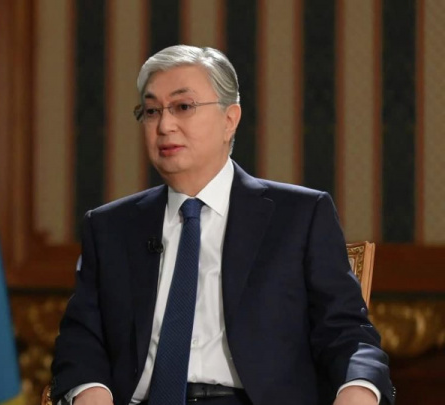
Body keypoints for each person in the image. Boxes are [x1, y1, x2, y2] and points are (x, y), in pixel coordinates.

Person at [50, 45, 394, 405]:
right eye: (152, 111)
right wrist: (91, 391)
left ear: (230, 119)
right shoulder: (110, 227)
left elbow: (347, 333)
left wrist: (358, 389)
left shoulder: (300, 216)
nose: (164, 126)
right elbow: (80, 338)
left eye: (183, 107)